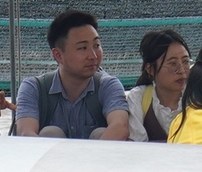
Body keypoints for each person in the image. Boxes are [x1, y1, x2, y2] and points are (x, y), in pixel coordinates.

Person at [15, 10, 131, 140]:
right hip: (52, 160)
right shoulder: (34, 88)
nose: (93, 56)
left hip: (97, 159)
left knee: (99, 133)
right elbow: (26, 135)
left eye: (96, 45)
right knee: (51, 133)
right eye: (82, 48)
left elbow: (120, 127)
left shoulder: (108, 85)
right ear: (58, 55)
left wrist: (86, 159)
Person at [126, 29, 190, 142]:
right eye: (172, 64)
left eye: (185, 62)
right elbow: (136, 148)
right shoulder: (139, 99)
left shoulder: (196, 97)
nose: (182, 70)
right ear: (150, 69)